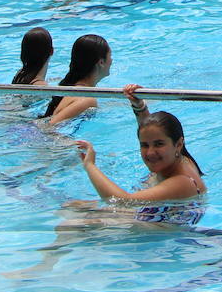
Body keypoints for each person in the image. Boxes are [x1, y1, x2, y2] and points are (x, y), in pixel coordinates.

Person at [74, 91, 206, 226]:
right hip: (157, 215)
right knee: (74, 207)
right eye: (144, 145)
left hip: (166, 232)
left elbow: (121, 201)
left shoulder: (183, 182)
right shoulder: (177, 157)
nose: (150, 153)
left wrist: (90, 165)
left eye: (159, 144)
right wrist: (140, 107)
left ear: (178, 144)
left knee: (75, 224)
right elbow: (152, 130)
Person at [42, 34, 112, 127]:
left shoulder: (74, 89)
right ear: (101, 62)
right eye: (110, 56)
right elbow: (49, 127)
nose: (111, 60)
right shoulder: (87, 99)